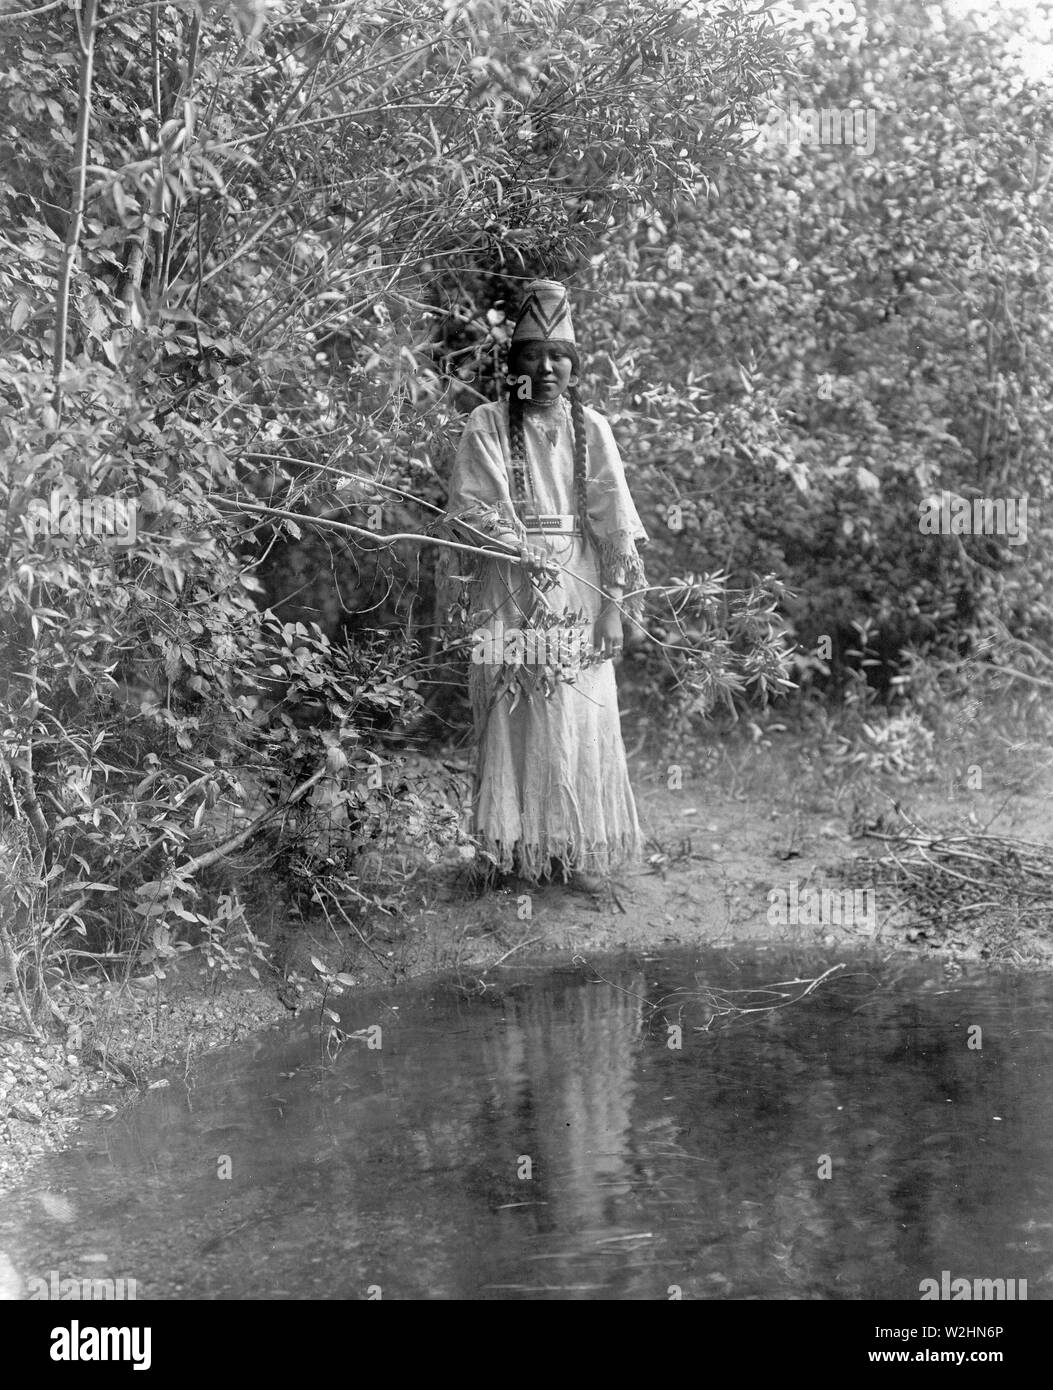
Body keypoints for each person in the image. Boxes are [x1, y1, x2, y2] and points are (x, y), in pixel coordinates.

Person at [444, 279, 648, 891]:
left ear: (574, 364)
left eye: (559, 356)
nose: (547, 368)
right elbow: (469, 510)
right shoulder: (485, 422)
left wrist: (612, 611)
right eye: (533, 355)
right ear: (514, 364)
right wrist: (515, 545)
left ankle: (571, 854)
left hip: (580, 585)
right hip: (509, 582)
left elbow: (614, 526)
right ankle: (513, 859)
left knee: (579, 712)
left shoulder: (593, 427)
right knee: (513, 710)